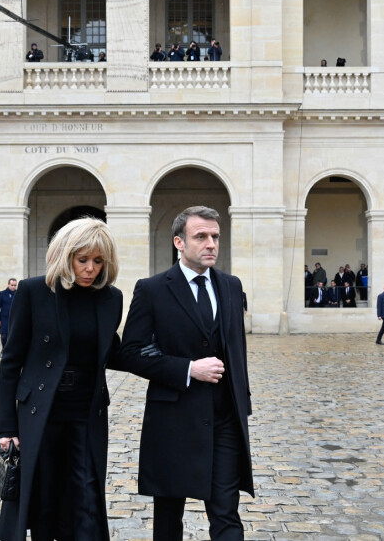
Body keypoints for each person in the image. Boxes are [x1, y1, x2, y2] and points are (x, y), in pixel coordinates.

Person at [119, 206, 253, 541]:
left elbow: (237, 350)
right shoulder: (151, 289)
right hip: (173, 419)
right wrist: (189, 369)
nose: (211, 244)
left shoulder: (231, 286)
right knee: (168, 519)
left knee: (226, 513)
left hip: (224, 419)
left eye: (215, 237)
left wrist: (242, 404)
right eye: (201, 236)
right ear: (179, 242)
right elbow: (132, 353)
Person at [0, 217, 123, 541]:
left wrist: (184, 368)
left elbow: (118, 352)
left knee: (86, 496)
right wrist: (6, 428)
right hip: (42, 411)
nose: (91, 268)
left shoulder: (111, 297)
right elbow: (11, 362)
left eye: (98, 261)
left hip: (86, 411)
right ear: (65, 256)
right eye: (83, 260)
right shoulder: (34, 291)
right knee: (45, 497)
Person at [0, 278, 17, 349]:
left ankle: (11, 351)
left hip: (15, 318)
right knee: (4, 336)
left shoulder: (18, 294)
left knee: (13, 336)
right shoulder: (2, 294)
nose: (13, 287)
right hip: (4, 318)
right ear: (8, 285)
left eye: (15, 285)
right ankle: (4, 349)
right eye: (12, 285)